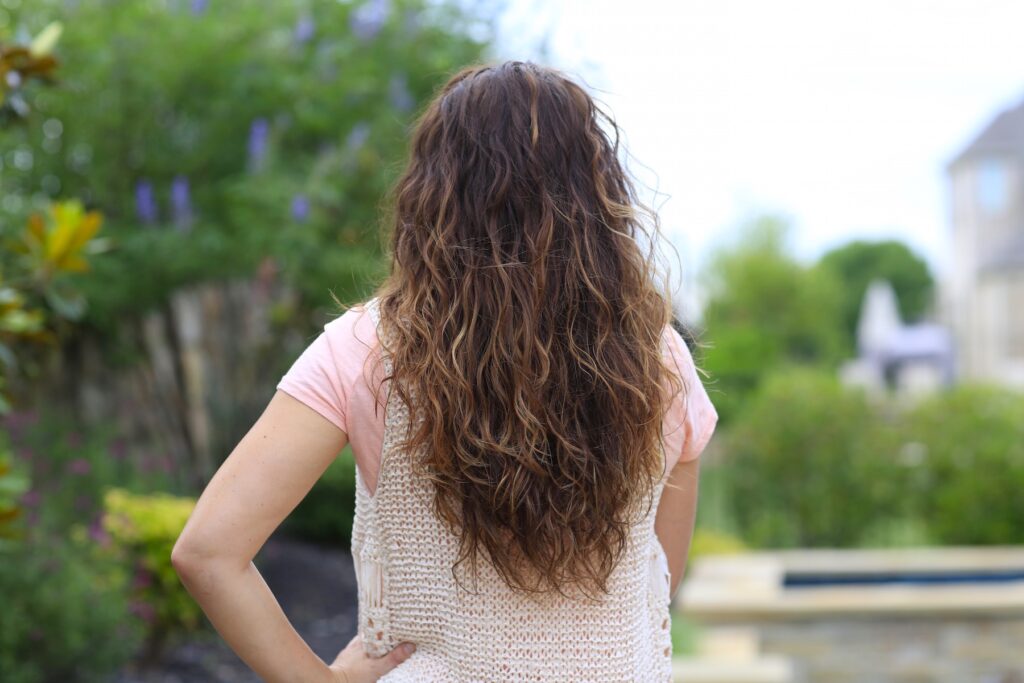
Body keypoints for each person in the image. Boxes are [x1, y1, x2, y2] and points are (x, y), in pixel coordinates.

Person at [171, 60, 717, 682]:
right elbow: (656, 582)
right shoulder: (660, 360)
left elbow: (209, 552)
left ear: (434, 193)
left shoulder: (365, 349)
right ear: (597, 192)